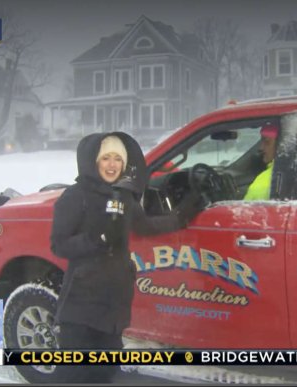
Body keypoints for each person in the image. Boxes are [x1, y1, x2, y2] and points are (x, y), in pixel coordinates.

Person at [50, 132, 202, 383]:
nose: (112, 165)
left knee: (107, 374)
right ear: (93, 161)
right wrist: (97, 239)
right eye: (106, 158)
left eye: (117, 159)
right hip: (81, 307)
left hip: (114, 305)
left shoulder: (124, 195)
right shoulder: (75, 197)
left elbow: (144, 226)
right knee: (74, 375)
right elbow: (59, 245)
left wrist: (181, 216)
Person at [243, 123, 279, 200]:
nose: (261, 148)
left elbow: (244, 210)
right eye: (261, 142)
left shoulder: (262, 183)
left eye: (267, 142)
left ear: (280, 145)